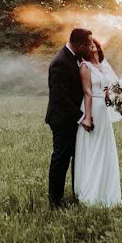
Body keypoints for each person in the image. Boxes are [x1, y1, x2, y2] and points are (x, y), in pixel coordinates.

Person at [45, 28, 93, 208]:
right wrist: (82, 117)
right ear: (80, 45)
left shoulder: (77, 58)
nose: (90, 47)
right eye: (88, 44)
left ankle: (77, 192)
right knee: (61, 159)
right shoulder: (60, 62)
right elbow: (60, 97)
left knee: (77, 157)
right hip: (62, 120)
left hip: (73, 119)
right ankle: (55, 201)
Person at [74, 38, 122, 207]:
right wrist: (87, 116)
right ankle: (91, 191)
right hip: (92, 108)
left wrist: (114, 96)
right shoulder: (85, 66)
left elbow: (112, 88)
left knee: (105, 148)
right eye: (89, 43)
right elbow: (87, 92)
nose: (92, 45)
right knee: (93, 148)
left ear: (98, 48)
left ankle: (107, 191)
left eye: (95, 43)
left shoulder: (104, 66)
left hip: (103, 110)